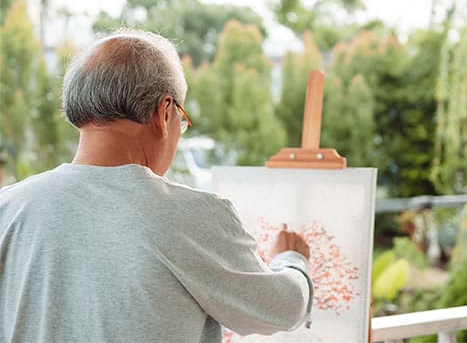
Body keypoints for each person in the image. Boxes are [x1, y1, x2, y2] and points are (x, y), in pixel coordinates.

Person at [0, 30, 313, 343]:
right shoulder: (188, 215)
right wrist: (290, 259)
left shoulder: (8, 207)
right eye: (182, 119)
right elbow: (283, 308)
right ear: (165, 113)